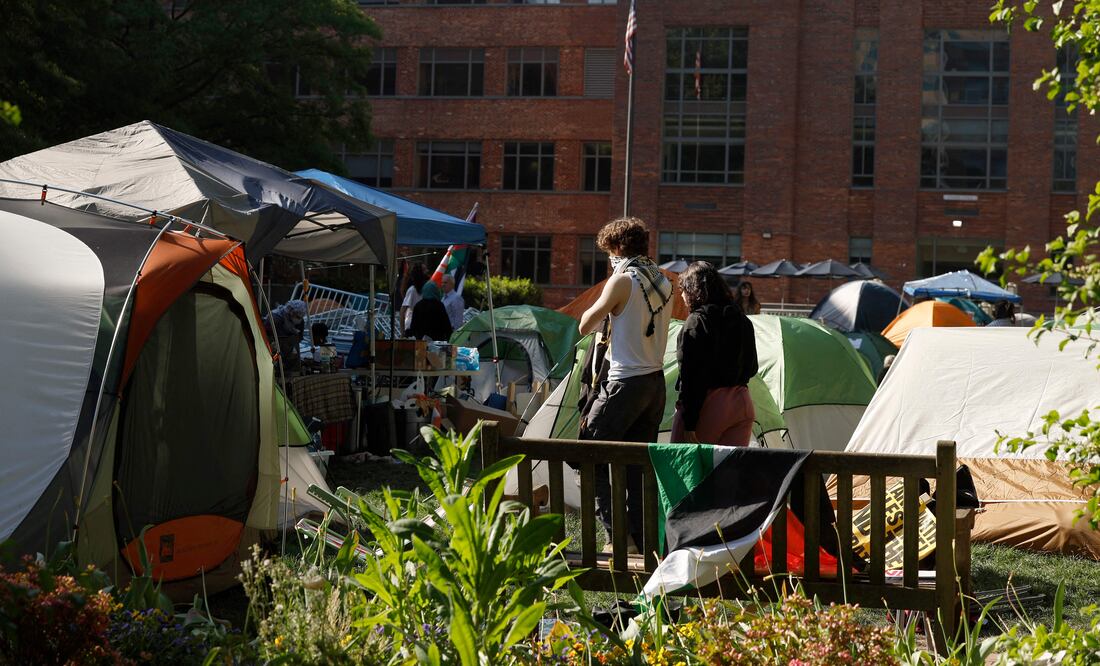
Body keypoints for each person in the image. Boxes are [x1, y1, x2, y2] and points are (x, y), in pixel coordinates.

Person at [578, 216, 673, 554]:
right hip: (654, 385)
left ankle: (617, 539)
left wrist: (606, 299)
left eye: (608, 252)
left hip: (623, 383)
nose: (608, 259)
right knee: (636, 466)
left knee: (591, 454)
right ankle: (642, 540)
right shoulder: (663, 281)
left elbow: (584, 325)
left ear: (618, 248)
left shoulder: (622, 280)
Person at [672, 262, 758, 446]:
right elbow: (752, 368)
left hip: (708, 405)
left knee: (683, 470)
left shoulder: (696, 322)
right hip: (742, 403)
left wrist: (689, 422)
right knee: (728, 473)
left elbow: (691, 377)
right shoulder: (742, 319)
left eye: (683, 290)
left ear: (693, 291)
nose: (682, 296)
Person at [399, 262, 429, 335]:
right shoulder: (412, 290)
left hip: (424, 327)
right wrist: (402, 333)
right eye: (424, 270)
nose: (427, 271)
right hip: (412, 328)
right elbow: (402, 311)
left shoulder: (427, 288)